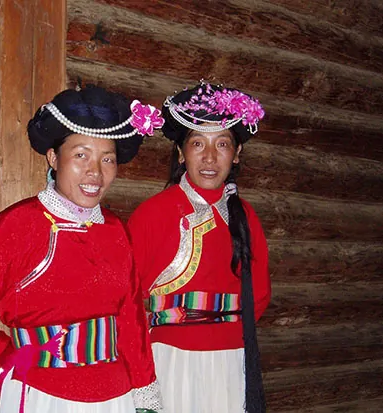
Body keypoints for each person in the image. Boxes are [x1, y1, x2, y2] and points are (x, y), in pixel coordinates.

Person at [0, 86, 165, 413]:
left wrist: (144, 392)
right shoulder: (17, 225)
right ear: (53, 157)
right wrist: (8, 370)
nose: (95, 172)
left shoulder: (116, 231)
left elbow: (131, 320)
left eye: (107, 159)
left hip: (117, 396)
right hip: (44, 396)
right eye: (81, 155)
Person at [127, 82, 270, 413]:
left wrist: (225, 338)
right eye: (197, 143)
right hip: (169, 363)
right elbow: (126, 302)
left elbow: (258, 295)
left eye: (222, 144)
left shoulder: (246, 217)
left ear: (236, 154)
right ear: (181, 152)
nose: (209, 156)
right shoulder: (152, 214)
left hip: (231, 365)